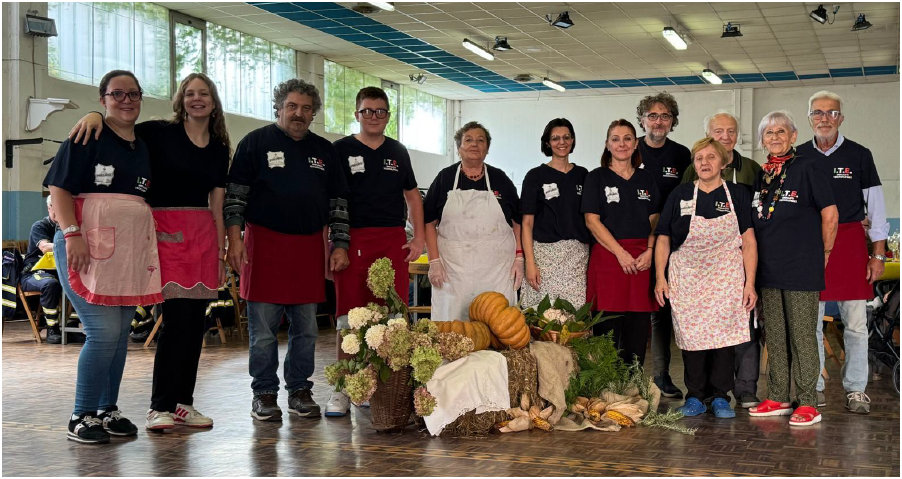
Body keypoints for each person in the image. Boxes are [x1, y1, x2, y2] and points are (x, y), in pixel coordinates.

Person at [68, 72, 231, 429]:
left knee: (194, 324)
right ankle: (160, 405)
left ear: (214, 101)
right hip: (159, 234)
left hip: (202, 237)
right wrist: (94, 115)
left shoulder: (220, 147)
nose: (196, 99)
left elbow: (217, 207)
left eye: (204, 93)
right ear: (180, 100)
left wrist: (221, 254)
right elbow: (116, 127)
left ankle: (183, 403)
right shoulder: (158, 132)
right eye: (189, 93)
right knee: (173, 322)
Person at [44, 70, 164, 444]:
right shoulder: (87, 135)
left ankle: (105, 410)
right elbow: (59, 189)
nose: (126, 100)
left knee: (119, 335)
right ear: (102, 99)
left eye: (133, 94)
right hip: (83, 246)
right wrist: (72, 233)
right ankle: (80, 415)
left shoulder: (142, 144)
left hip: (127, 252)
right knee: (103, 332)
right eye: (117, 94)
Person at [225, 78, 350, 421]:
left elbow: (339, 203)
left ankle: (299, 389)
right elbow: (235, 198)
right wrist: (234, 240)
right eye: (292, 106)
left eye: (306, 108)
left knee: (306, 329)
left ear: (313, 115)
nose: (298, 113)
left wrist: (340, 243)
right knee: (263, 331)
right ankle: (264, 393)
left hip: (309, 247)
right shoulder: (254, 143)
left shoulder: (325, 151)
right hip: (263, 246)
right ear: (278, 107)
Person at [327, 86, 424, 417]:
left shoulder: (398, 151)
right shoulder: (339, 149)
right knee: (348, 318)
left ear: (388, 116)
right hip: (351, 241)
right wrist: (332, 243)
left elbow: (412, 196)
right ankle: (343, 388)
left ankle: (382, 386)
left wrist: (420, 238)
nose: (373, 116)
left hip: (392, 240)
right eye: (367, 111)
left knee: (392, 317)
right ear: (357, 114)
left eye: (380, 111)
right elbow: (329, 199)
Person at [796, 90, 889, 414]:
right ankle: (814, 388)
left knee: (856, 324)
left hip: (849, 244)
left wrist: (878, 255)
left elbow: (876, 209)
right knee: (810, 324)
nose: (824, 118)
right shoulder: (798, 156)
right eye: (818, 112)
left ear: (841, 118)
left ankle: (856, 389)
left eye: (831, 113)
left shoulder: (860, 155)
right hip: (810, 245)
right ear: (809, 118)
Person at [654, 138, 757, 419]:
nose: (705, 163)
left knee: (725, 339)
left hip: (725, 275)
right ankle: (696, 396)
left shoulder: (737, 194)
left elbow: (748, 241)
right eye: (699, 158)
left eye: (711, 157)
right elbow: (663, 238)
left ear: (723, 162)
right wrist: (660, 279)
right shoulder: (680, 194)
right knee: (692, 339)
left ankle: (721, 397)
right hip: (687, 276)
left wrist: (749, 283)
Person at [748, 111, 838, 427]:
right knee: (775, 336)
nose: (775, 137)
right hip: (769, 270)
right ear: (762, 140)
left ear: (793, 136)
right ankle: (778, 396)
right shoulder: (763, 175)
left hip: (801, 268)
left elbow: (830, 214)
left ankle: (808, 401)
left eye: (781, 131)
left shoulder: (808, 168)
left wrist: (823, 253)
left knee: (802, 335)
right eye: (768, 132)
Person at [683, 111, 764, 408]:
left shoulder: (753, 169)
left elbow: (756, 221)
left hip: (739, 263)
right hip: (698, 272)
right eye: (719, 131)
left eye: (731, 131)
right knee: (703, 331)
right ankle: (702, 392)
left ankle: (744, 388)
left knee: (743, 327)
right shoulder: (692, 174)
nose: (726, 136)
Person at [424, 121, 523, 321]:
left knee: (497, 324)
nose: (474, 144)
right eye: (468, 140)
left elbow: (518, 221)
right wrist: (434, 261)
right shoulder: (445, 178)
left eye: (480, 140)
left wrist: (519, 258)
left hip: (496, 271)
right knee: (453, 327)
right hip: (453, 271)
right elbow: (428, 222)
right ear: (459, 147)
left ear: (487, 149)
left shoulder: (500, 179)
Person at [582, 119, 660, 366]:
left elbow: (656, 219)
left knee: (638, 330)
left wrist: (650, 251)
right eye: (615, 139)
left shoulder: (646, 179)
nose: (622, 144)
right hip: (608, 259)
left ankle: (633, 386)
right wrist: (620, 253)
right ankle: (607, 389)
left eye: (627, 138)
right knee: (608, 330)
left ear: (636, 144)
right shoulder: (596, 178)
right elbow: (592, 221)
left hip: (641, 260)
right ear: (607, 145)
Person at [636, 92, 691, 399]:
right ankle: (627, 375)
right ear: (642, 120)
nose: (658, 121)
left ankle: (661, 376)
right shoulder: (630, 149)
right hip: (633, 242)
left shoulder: (682, 155)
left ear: (673, 122)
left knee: (663, 311)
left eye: (665, 116)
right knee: (632, 313)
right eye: (652, 116)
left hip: (671, 243)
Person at [520, 118, 591, 309]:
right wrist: (530, 263)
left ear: (573, 140)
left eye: (566, 137)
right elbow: (526, 223)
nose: (562, 142)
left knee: (574, 314)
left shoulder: (584, 175)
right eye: (556, 138)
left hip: (576, 258)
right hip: (544, 257)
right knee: (541, 315)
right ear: (547, 143)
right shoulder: (535, 176)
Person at [20, 196, 63, 343]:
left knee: (79, 283)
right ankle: (53, 328)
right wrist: (70, 245)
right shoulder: (40, 226)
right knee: (50, 284)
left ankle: (71, 325)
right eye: (56, 206)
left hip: (58, 272)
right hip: (33, 272)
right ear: (49, 208)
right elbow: (45, 248)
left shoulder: (66, 227)